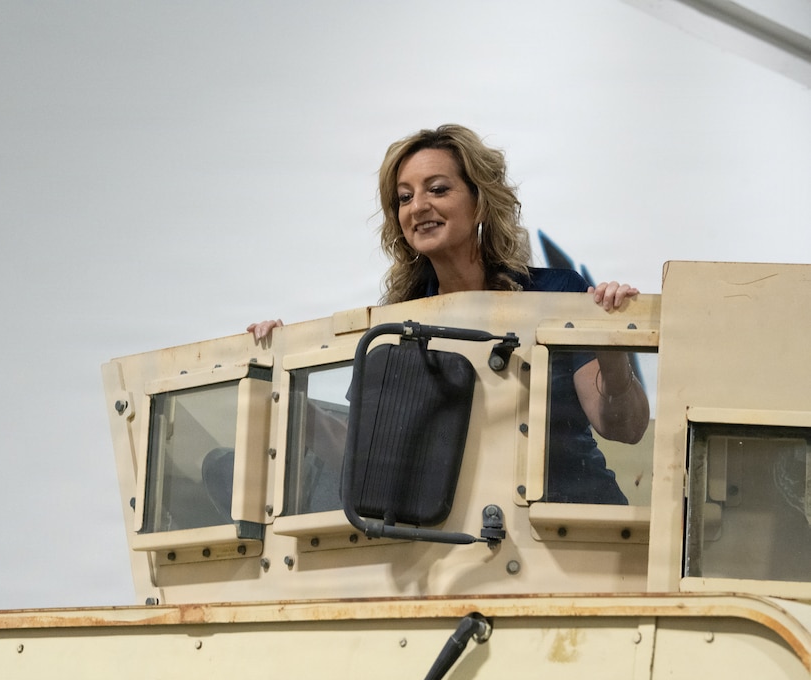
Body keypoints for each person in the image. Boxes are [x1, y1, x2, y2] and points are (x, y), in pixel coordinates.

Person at [250, 124, 649, 505]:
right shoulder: (394, 326)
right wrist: (283, 368)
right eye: (404, 198)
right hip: (457, 547)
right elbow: (366, 457)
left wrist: (612, 345)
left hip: (571, 529)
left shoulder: (556, 294)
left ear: (480, 202)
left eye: (437, 189)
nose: (418, 207)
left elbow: (625, 427)